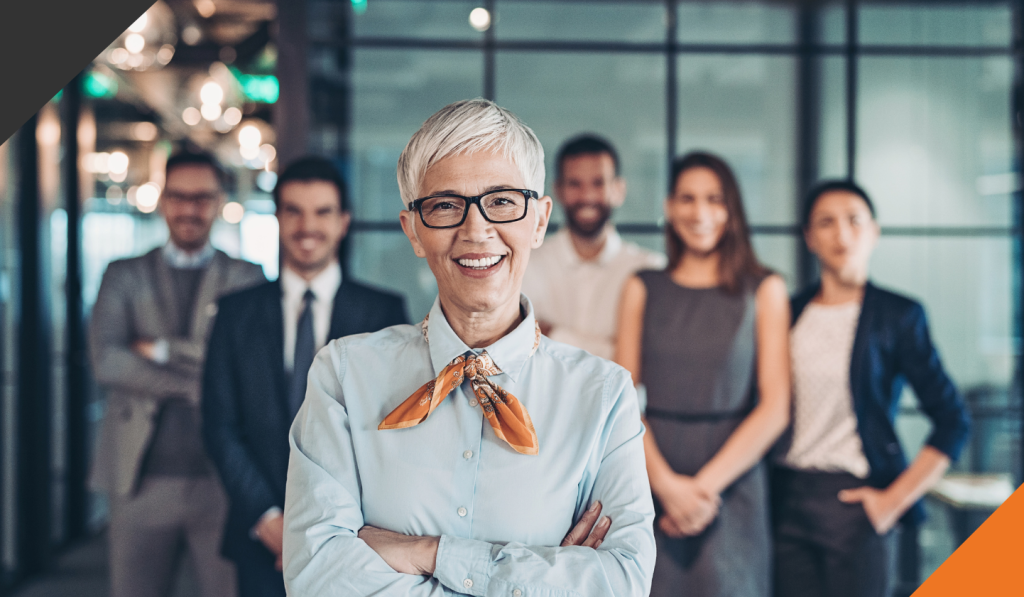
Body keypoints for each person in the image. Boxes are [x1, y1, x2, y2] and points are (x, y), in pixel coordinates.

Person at [282, 99, 656, 596]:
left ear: (540, 221)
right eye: (445, 205)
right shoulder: (342, 375)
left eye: (502, 201)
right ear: (413, 230)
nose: (476, 230)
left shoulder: (604, 394)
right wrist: (542, 576)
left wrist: (428, 553)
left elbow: (623, 582)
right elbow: (316, 580)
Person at [201, 156, 408, 597]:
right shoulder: (235, 313)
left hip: (358, 537)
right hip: (261, 533)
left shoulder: (385, 313)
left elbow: (394, 429)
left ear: (344, 221)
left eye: (322, 212)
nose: (306, 226)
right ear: (277, 217)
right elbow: (220, 426)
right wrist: (269, 519)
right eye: (293, 210)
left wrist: (345, 526)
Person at [772, 180, 971, 597]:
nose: (841, 233)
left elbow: (953, 420)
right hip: (786, 500)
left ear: (874, 231)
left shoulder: (898, 315)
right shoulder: (786, 312)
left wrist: (892, 501)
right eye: (826, 223)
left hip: (857, 500)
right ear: (809, 237)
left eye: (853, 220)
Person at [89, 150, 266, 597]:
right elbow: (108, 361)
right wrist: (200, 384)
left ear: (218, 201)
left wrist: (163, 350)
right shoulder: (122, 275)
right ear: (163, 200)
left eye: (201, 197)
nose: (189, 209)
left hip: (222, 485)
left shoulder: (247, 278)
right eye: (179, 197)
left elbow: (246, 367)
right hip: (139, 480)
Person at [615, 151, 791, 597]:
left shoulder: (765, 290)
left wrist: (700, 492)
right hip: (652, 470)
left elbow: (774, 408)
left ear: (731, 210)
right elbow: (619, 401)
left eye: (714, 199)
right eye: (687, 199)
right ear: (670, 208)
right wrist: (668, 487)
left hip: (733, 480)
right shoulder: (641, 287)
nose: (700, 213)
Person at [520, 134, 665, 360]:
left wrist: (552, 333)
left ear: (618, 190)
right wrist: (615, 347)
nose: (587, 196)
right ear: (557, 191)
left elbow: (650, 360)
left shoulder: (651, 270)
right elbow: (512, 343)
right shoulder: (525, 264)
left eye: (598, 183)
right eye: (574, 184)